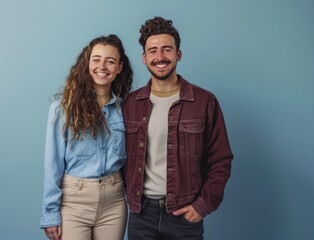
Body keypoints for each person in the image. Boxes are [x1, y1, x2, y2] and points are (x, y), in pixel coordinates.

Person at [122, 16, 234, 239]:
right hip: (141, 215)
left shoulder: (204, 101)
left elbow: (221, 159)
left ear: (178, 54)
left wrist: (203, 205)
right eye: (153, 51)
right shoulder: (130, 104)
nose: (160, 57)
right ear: (144, 58)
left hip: (184, 215)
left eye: (167, 49)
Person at [40, 34, 133, 240]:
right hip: (73, 202)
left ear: (119, 67)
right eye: (96, 59)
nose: (103, 66)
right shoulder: (62, 109)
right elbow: (52, 163)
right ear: (87, 63)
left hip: (114, 202)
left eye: (110, 61)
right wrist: (50, 213)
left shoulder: (124, 109)